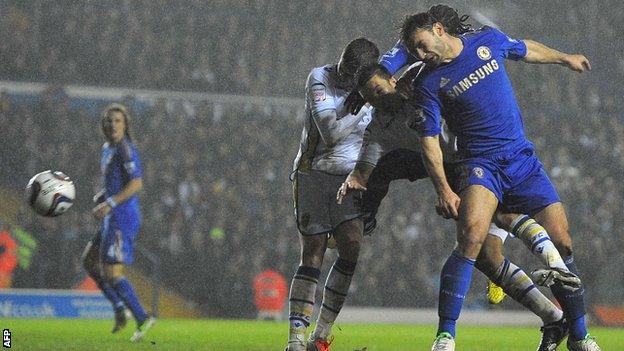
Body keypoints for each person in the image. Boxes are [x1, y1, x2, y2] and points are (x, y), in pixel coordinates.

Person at [399, 6, 598, 351]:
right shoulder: (428, 83)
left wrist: (564, 58)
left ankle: (579, 337)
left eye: (421, 44)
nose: (420, 54)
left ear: (438, 30)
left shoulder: (487, 42)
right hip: (481, 165)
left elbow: (526, 48)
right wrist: (444, 188)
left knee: (562, 241)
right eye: (414, 51)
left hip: (521, 160)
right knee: (471, 237)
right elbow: (429, 141)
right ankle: (445, 336)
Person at [338, 63, 577, 350]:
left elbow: (439, 57)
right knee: (487, 258)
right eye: (370, 98)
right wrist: (354, 177)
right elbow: (367, 163)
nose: (377, 100)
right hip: (459, 173)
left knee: (504, 218)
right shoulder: (379, 127)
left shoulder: (420, 84)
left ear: (392, 79)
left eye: (378, 90)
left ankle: (565, 299)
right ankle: (554, 318)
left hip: (485, 154)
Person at [286, 37, 379, 351]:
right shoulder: (319, 78)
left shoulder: (372, 86)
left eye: (350, 73)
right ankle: (295, 342)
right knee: (313, 252)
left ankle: (320, 337)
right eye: (343, 66)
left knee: (351, 247)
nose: (342, 74)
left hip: (350, 179)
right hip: (314, 174)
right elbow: (330, 132)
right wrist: (365, 101)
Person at [81, 103, 155, 342]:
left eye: (118, 121)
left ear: (125, 125)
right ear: (103, 124)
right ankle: (118, 307)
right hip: (112, 214)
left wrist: (110, 203)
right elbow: (117, 181)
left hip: (123, 217)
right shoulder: (107, 148)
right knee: (89, 261)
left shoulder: (125, 149)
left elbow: (136, 184)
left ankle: (143, 318)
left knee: (112, 273)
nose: (113, 125)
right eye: (109, 121)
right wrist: (104, 196)